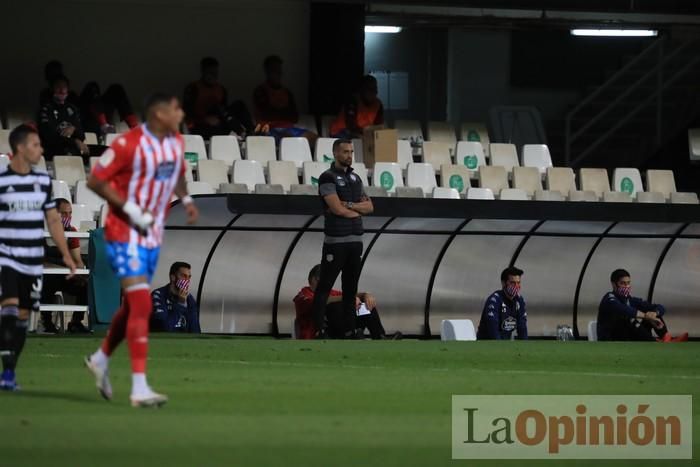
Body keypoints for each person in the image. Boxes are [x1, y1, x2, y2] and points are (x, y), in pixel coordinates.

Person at [84, 92, 199, 407]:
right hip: (124, 232)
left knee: (134, 307)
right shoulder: (127, 144)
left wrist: (186, 200)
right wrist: (130, 210)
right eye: (176, 108)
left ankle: (101, 358)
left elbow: (176, 175)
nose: (181, 113)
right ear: (159, 114)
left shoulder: (175, 143)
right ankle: (139, 387)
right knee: (142, 305)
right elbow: (94, 180)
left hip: (151, 235)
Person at [0, 124, 77, 390]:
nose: (41, 150)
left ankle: (9, 372)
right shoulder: (2, 181)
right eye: (36, 145)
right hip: (6, 257)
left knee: (22, 317)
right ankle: (7, 373)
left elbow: (53, 220)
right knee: (8, 310)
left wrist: (66, 254)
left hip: (33, 260)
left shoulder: (43, 182)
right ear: (20, 148)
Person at [310, 139, 373, 338]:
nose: (349, 155)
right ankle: (318, 329)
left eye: (351, 151)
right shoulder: (327, 178)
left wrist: (349, 206)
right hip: (336, 241)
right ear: (336, 153)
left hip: (355, 241)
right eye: (345, 151)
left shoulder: (355, 179)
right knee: (325, 286)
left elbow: (370, 207)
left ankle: (350, 329)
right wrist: (356, 209)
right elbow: (336, 209)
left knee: (350, 288)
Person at [294, 264, 397, 339]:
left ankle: (380, 336)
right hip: (318, 335)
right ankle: (351, 334)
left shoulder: (331, 292)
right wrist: (348, 298)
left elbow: (350, 295)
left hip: (340, 328)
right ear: (314, 279)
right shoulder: (303, 295)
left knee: (366, 307)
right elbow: (320, 302)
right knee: (336, 306)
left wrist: (366, 295)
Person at [39, 60, 139, 136]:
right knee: (92, 86)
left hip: (97, 115)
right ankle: (104, 126)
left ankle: (135, 130)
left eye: (59, 73)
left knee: (115, 89)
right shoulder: (46, 95)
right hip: (83, 123)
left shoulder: (70, 93)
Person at [597, 269, 688, 342]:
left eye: (628, 283)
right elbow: (623, 309)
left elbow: (660, 307)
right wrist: (647, 317)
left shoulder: (631, 300)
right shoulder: (609, 298)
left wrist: (654, 313)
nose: (626, 286)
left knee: (653, 312)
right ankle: (654, 342)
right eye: (623, 283)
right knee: (630, 317)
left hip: (627, 337)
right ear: (614, 284)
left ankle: (666, 337)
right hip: (610, 339)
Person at [40, 198, 89, 334]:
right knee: (50, 279)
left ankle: (76, 322)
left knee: (85, 285)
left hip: (65, 275)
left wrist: (81, 274)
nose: (68, 217)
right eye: (64, 214)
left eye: (70, 213)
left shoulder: (72, 231)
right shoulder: (41, 231)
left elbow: (77, 260)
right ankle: (46, 323)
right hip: (44, 276)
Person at [183, 57, 253, 139]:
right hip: (199, 125)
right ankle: (239, 131)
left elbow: (225, 112)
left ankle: (250, 132)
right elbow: (187, 113)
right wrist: (205, 119)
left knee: (238, 105)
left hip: (218, 123)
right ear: (203, 71)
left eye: (215, 73)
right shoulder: (193, 88)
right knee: (216, 109)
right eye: (210, 73)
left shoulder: (221, 89)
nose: (213, 76)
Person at [253, 55, 316, 144]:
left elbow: (294, 117)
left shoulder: (287, 93)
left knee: (317, 140)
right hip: (268, 129)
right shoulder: (260, 91)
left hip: (288, 128)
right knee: (290, 139)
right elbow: (267, 114)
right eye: (274, 70)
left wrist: (278, 110)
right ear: (267, 71)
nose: (278, 73)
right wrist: (283, 111)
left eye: (279, 70)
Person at [38, 75, 89, 160]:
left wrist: (73, 129)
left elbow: (81, 135)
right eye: (58, 87)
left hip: (73, 154)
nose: (62, 90)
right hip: (53, 155)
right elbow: (50, 137)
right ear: (52, 89)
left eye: (64, 87)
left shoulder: (72, 109)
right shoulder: (46, 109)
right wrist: (75, 141)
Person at [477, 267, 528, 340]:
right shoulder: (494, 300)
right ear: (504, 283)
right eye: (512, 283)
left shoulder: (519, 300)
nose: (516, 286)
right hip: (487, 345)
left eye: (518, 282)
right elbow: (493, 330)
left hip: (505, 345)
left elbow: (522, 328)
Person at [150, 261, 200, 333]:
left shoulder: (189, 299)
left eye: (189, 277)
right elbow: (164, 328)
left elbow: (195, 331)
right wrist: (180, 304)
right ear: (173, 277)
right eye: (183, 276)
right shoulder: (158, 295)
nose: (187, 280)